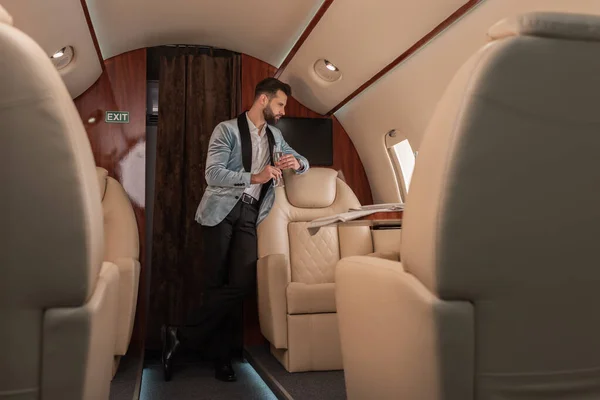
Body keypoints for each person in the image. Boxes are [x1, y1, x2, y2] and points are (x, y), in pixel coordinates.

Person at [161, 77, 309, 382]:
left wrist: (297, 163)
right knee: (216, 286)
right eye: (280, 104)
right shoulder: (226, 130)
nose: (283, 111)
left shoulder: (275, 136)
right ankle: (222, 359)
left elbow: (303, 159)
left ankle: (180, 334)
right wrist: (255, 177)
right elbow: (212, 174)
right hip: (220, 212)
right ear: (264, 100)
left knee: (240, 285)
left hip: (249, 216)